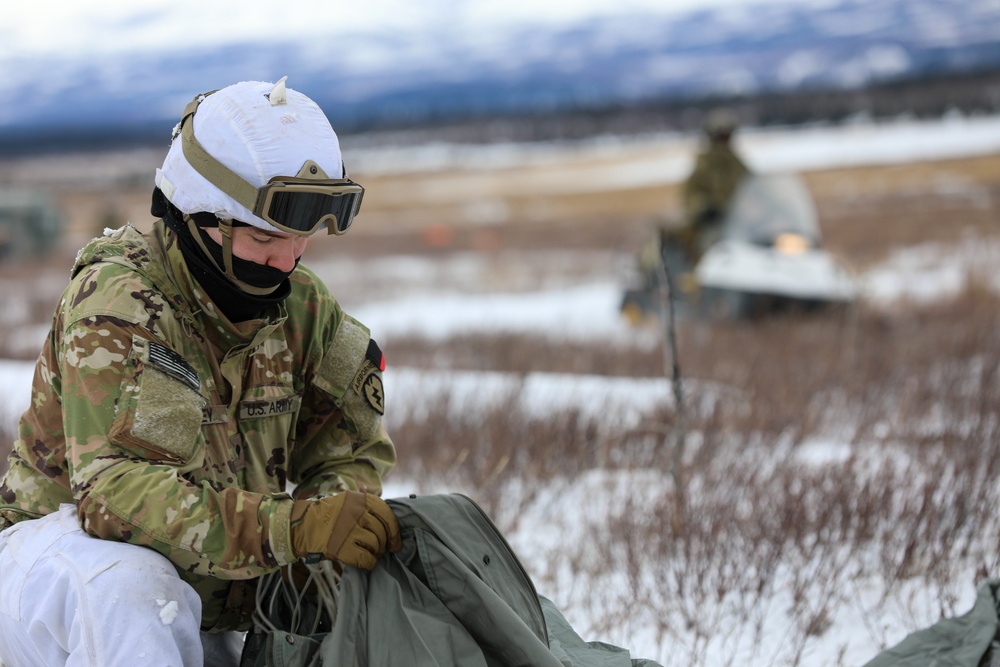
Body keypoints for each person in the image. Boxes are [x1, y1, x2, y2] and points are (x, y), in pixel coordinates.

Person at [0, 78, 401, 666]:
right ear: (200, 218)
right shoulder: (118, 304)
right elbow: (114, 499)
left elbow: (347, 451)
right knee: (130, 587)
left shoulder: (304, 308)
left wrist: (328, 529)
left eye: (301, 239)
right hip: (59, 574)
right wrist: (289, 529)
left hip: (217, 587)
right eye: (266, 237)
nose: (287, 260)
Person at [680, 107, 750, 263]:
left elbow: (754, 185)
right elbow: (690, 195)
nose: (724, 142)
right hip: (713, 224)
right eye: (720, 137)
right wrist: (705, 207)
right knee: (712, 247)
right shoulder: (704, 165)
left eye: (727, 136)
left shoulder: (738, 164)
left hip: (741, 222)